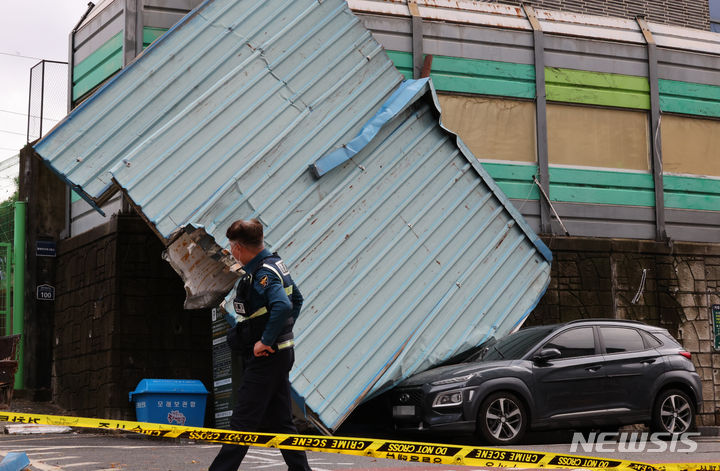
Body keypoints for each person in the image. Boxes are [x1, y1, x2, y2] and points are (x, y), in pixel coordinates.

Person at [209, 219, 311, 471]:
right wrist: (283, 333)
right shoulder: (275, 265)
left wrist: (266, 340)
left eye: (231, 246)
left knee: (242, 421)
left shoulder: (263, 273)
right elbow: (297, 299)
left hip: (268, 356)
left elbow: (284, 305)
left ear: (239, 248)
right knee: (282, 421)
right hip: (280, 354)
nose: (231, 251)